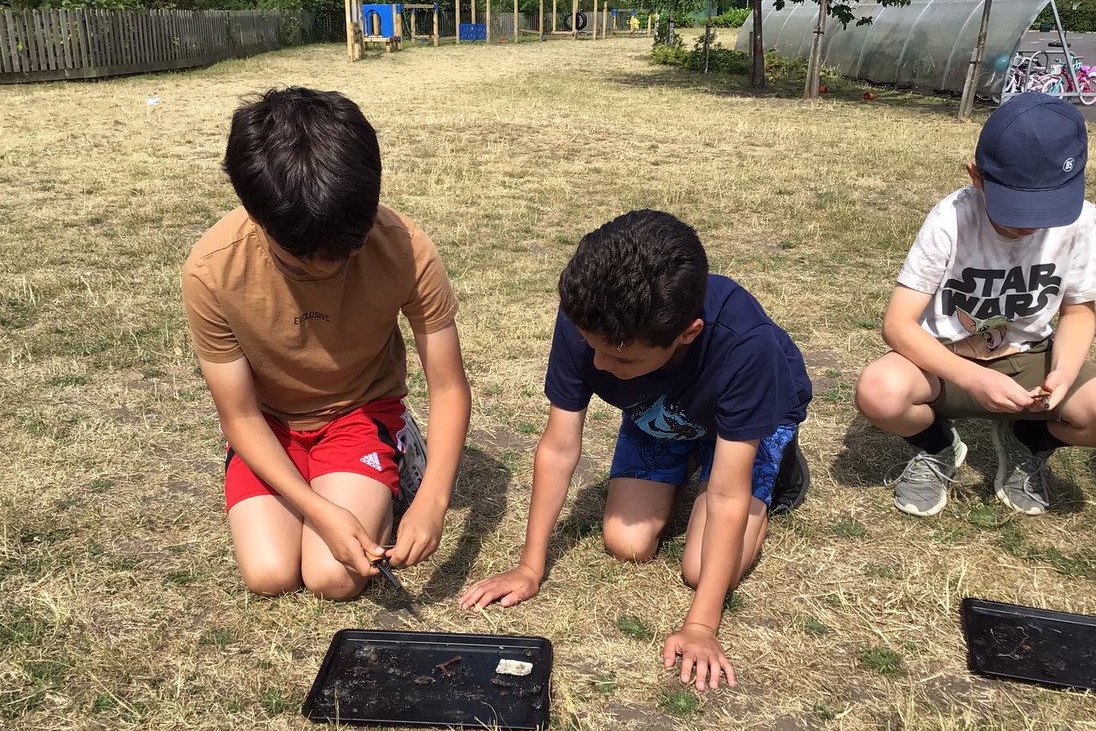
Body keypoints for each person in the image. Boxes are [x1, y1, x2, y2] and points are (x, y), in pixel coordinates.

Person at [458, 210, 812, 692]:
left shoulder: (746, 345)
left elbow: (728, 495)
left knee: (702, 570)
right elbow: (559, 448)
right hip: (662, 410)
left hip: (748, 418)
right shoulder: (589, 315)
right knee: (627, 544)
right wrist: (529, 566)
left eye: (622, 358)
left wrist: (701, 626)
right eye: (593, 347)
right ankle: (689, 456)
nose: (600, 363)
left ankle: (776, 463)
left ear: (688, 332)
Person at [182, 87, 471, 598]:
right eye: (301, 260)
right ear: (255, 214)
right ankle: (333, 484)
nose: (327, 270)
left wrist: (433, 500)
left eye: (347, 251)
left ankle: (398, 447)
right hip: (268, 425)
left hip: (360, 410)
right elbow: (240, 414)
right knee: (270, 574)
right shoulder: (212, 270)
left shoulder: (405, 247)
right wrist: (319, 509)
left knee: (332, 577)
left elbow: (448, 386)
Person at [856, 92, 1096, 517]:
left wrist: (1063, 371)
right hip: (944, 361)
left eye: (1046, 210)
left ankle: (1029, 442)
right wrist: (974, 378)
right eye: (1015, 209)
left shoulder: (1082, 221)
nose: (1030, 224)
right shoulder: (951, 218)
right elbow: (898, 324)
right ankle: (938, 446)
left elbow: (1078, 310)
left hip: (1031, 357)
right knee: (880, 392)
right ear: (976, 177)